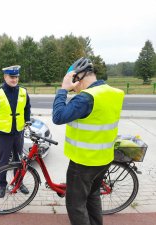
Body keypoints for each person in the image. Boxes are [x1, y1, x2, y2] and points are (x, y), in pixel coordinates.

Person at [52, 57, 124, 225]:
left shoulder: (86, 98)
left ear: (78, 78)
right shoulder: (114, 93)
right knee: (93, 196)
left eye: (73, 82)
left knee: (75, 205)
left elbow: (58, 117)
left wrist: (63, 89)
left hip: (84, 162)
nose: (73, 88)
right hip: (104, 158)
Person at [0, 65, 31, 198]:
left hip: (18, 133)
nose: (14, 79)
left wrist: (27, 121)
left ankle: (18, 183)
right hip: (4, 134)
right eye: (11, 77)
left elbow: (27, 107)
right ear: (5, 77)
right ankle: (2, 185)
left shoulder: (23, 91)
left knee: (19, 160)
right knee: (3, 161)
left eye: (16, 77)